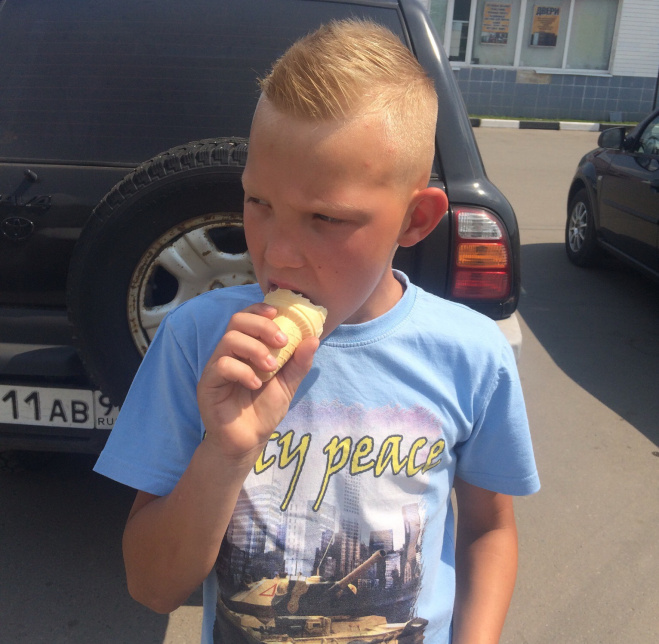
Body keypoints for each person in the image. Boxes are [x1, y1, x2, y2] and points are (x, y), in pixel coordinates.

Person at [94, 19, 539, 644]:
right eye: (258, 203)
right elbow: (153, 587)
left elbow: (488, 528)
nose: (277, 254)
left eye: (325, 218)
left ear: (415, 220)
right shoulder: (198, 342)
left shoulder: (470, 354)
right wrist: (225, 452)